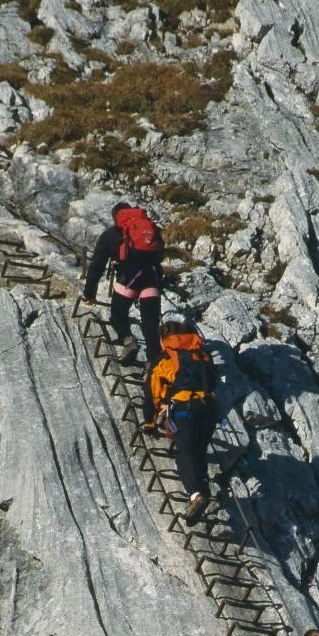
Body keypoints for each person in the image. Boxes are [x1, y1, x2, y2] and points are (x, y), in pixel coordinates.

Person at [142, 319, 219, 526]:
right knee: (197, 452)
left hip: (185, 409)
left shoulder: (167, 357)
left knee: (184, 453)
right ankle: (201, 491)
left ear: (163, 339)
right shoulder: (201, 353)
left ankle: (196, 495)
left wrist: (150, 422)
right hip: (209, 408)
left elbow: (152, 394)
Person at [81, 201, 164, 365]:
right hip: (151, 278)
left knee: (118, 314)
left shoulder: (110, 235)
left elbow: (97, 266)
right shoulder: (149, 228)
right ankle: (153, 364)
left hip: (130, 279)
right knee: (150, 324)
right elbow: (160, 255)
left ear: (116, 217)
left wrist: (89, 293)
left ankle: (128, 340)